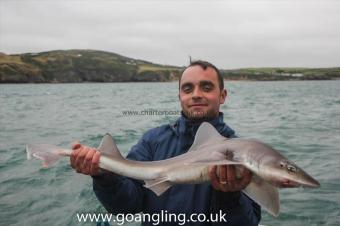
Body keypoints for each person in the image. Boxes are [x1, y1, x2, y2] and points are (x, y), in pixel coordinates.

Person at [70, 60, 261, 226]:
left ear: (222, 95)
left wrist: (229, 196)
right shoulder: (153, 141)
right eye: (187, 89)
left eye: (206, 87)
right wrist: (105, 178)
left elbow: (248, 222)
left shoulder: (243, 154)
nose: (196, 94)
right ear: (180, 97)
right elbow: (126, 207)